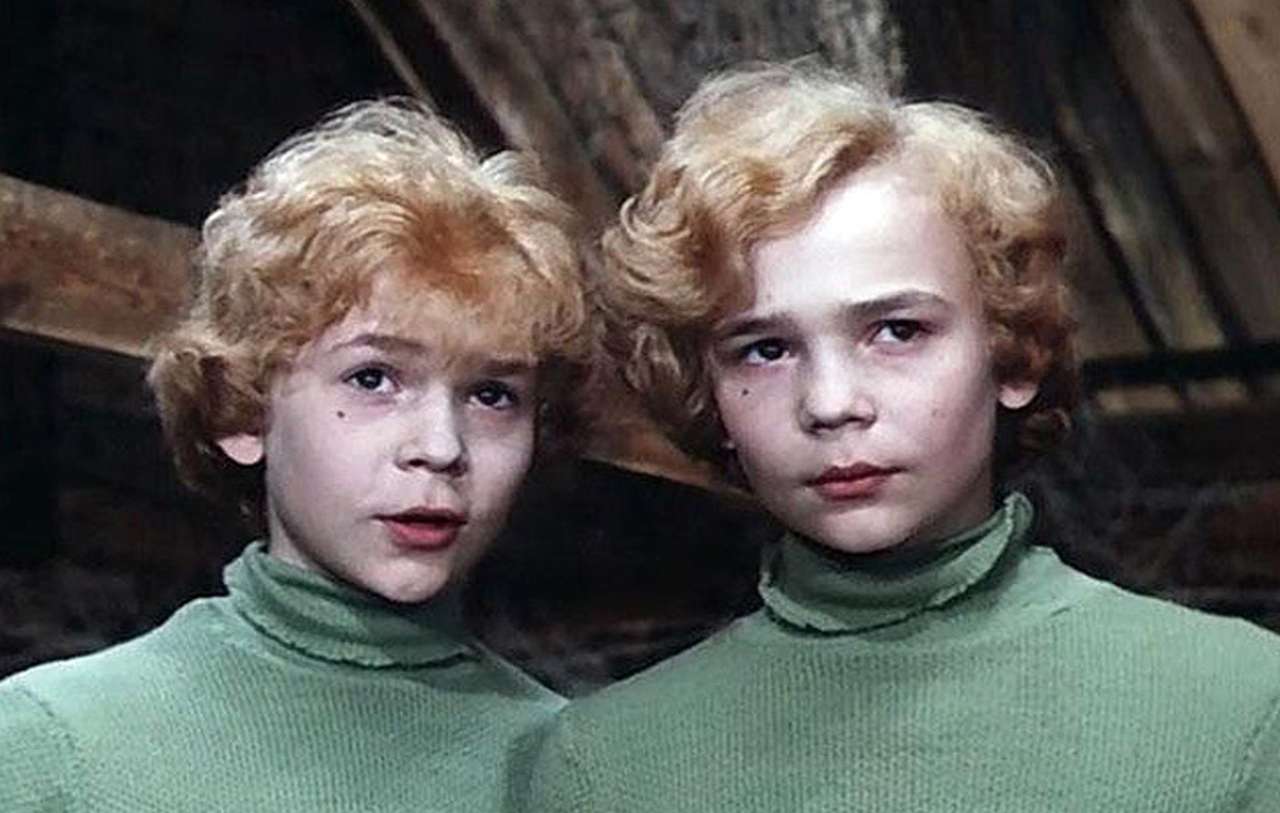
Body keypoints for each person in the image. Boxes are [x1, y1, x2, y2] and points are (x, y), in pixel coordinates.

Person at [527, 61, 1280, 811]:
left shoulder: (1236, 707)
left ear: (1012, 355)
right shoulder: (607, 766)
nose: (830, 404)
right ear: (710, 394)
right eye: (765, 349)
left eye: (896, 331)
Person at [0, 98, 593, 812]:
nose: (441, 447)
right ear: (243, 410)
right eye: (373, 379)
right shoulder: (55, 745)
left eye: (492, 395)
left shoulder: (579, 771)